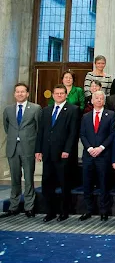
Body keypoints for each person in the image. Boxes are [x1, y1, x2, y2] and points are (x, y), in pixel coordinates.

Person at [35, 84, 79, 222]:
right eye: (57, 93)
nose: (59, 95)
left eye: (62, 93)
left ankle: (64, 212)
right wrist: (38, 150)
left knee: (64, 184)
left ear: (66, 95)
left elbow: (73, 133)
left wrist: (67, 150)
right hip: (47, 153)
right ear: (53, 95)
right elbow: (40, 131)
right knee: (47, 184)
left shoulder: (73, 110)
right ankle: (50, 212)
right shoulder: (46, 110)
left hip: (63, 154)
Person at [1, 83, 41, 218]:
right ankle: (14, 206)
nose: (20, 94)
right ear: (14, 94)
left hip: (28, 147)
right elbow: (7, 127)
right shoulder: (8, 109)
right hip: (13, 147)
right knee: (15, 178)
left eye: (22, 92)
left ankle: (29, 207)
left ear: (27, 93)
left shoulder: (35, 108)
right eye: (17, 92)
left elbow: (38, 128)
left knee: (29, 178)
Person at [78, 91, 115, 222]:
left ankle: (104, 211)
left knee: (103, 184)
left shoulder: (110, 115)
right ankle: (88, 210)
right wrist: (89, 148)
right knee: (87, 184)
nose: (99, 100)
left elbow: (112, 134)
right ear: (92, 101)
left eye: (101, 98)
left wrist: (100, 148)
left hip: (103, 155)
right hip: (88, 155)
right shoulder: (86, 116)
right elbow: (82, 134)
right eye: (96, 98)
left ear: (104, 101)